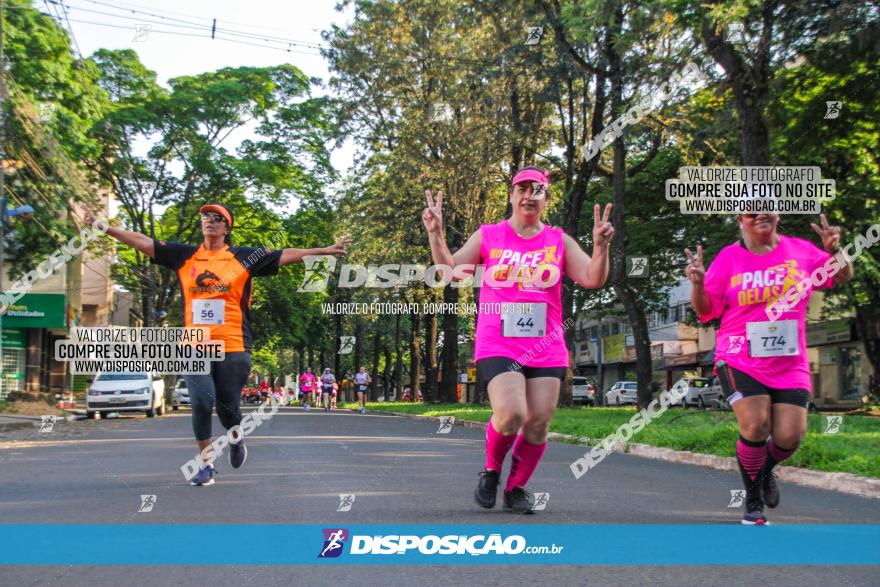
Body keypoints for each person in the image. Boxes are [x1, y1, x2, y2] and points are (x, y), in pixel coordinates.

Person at [83, 204, 349, 486]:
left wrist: (323, 250)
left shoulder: (243, 257)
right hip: (194, 345)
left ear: (227, 227)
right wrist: (105, 228)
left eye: (217, 218)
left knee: (227, 408)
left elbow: (286, 255)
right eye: (205, 217)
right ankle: (206, 465)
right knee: (201, 402)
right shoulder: (184, 255)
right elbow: (143, 241)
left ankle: (236, 437)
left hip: (234, 344)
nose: (210, 221)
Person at [423, 166, 613, 513]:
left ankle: (516, 488)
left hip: (547, 345)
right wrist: (436, 235)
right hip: (499, 341)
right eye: (522, 188)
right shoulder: (489, 235)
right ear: (511, 195)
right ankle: (492, 472)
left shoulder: (558, 240)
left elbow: (592, 278)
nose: (529, 195)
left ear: (545, 199)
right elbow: (450, 272)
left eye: (537, 190)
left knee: (538, 422)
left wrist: (600, 247)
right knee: (511, 413)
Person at [687, 212, 852, 524]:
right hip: (739, 355)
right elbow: (707, 310)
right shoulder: (728, 259)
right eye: (753, 210)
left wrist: (834, 250)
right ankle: (752, 500)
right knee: (756, 425)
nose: (761, 214)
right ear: (740, 220)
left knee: (790, 436)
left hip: (790, 360)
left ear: (777, 215)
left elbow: (840, 276)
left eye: (767, 208)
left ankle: (762, 471)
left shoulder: (800, 250)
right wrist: (697, 284)